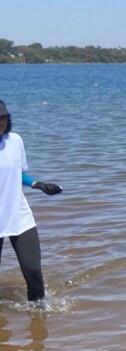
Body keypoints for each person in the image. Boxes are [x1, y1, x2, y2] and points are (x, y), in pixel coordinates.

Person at [0, 100, 62, 303]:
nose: (1, 122)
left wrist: (38, 184)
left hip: (18, 216)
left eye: (4, 118)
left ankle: (39, 319)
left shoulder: (15, 140)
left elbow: (18, 173)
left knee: (34, 272)